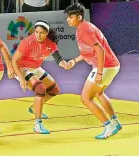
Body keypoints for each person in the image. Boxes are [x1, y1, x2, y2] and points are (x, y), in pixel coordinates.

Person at [64, 3, 122, 139]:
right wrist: (74, 61)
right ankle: (115, 122)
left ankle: (108, 126)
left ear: (79, 17)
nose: (67, 20)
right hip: (112, 65)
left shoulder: (85, 30)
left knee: (85, 98)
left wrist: (100, 73)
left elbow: (100, 50)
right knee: (99, 93)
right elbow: (87, 52)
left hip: (105, 66)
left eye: (70, 17)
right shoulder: (83, 27)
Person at [11, 20, 68, 134]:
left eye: (41, 33)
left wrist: (65, 64)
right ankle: (37, 124)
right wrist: (22, 79)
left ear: (46, 33)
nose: (38, 35)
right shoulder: (28, 42)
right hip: (22, 68)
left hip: (35, 68)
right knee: (40, 89)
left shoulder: (50, 42)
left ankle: (34, 108)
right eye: (36, 32)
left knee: (54, 89)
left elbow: (58, 59)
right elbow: (14, 61)